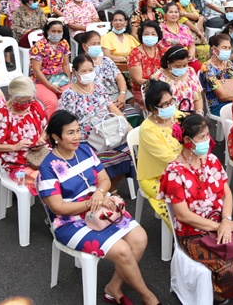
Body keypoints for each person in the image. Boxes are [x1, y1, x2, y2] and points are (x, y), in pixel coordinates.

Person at [38, 110, 161, 305]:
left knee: (139, 238)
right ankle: (148, 297)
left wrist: (99, 193)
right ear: (55, 137)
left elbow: (103, 179)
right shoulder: (48, 168)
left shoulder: (85, 150)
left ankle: (113, 287)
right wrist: (90, 203)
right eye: (70, 133)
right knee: (122, 250)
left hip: (100, 207)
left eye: (78, 130)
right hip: (71, 221)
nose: (77, 136)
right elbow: (58, 207)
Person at [160, 114, 233, 305]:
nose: (208, 140)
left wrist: (226, 220)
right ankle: (223, 295)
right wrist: (217, 226)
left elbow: (227, 194)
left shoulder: (210, 160)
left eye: (208, 135)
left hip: (221, 224)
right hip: (193, 235)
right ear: (188, 141)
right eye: (203, 137)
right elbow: (183, 215)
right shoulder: (174, 173)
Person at [59, 55, 133, 187]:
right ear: (75, 72)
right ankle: (103, 188)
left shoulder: (98, 86)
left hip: (108, 132)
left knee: (130, 152)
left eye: (90, 70)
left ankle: (111, 186)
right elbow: (67, 121)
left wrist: (127, 126)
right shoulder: (70, 94)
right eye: (84, 71)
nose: (88, 74)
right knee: (99, 159)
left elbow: (111, 107)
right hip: (87, 139)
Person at [0, 76, 47, 194]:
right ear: (11, 96)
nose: (27, 104)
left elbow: (46, 127)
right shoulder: (1, 115)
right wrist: (14, 147)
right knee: (47, 182)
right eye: (22, 101)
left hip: (39, 156)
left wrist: (41, 139)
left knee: (65, 173)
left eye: (29, 100)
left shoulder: (34, 106)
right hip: (16, 164)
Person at [137, 80, 185, 225]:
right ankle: (184, 239)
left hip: (183, 168)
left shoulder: (176, 116)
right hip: (157, 177)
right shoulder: (148, 129)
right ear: (152, 108)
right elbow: (168, 157)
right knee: (183, 202)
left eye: (171, 101)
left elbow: (194, 131)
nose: (170, 107)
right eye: (165, 105)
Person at [30, 19, 71, 117]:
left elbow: (65, 65)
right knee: (51, 103)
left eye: (59, 32)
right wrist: (50, 86)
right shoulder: (39, 46)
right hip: (41, 81)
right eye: (53, 31)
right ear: (47, 31)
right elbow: (36, 70)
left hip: (60, 78)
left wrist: (68, 82)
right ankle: (50, 128)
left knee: (71, 95)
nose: (56, 34)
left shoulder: (64, 44)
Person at [152, 45, 204, 114]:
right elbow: (160, 105)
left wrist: (199, 112)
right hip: (170, 116)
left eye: (185, 65)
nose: (182, 68)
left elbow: (197, 97)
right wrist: (181, 116)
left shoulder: (190, 71)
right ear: (168, 64)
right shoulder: (159, 78)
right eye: (178, 66)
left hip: (191, 116)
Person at [128, 20, 165, 111]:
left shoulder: (162, 50)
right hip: (145, 90)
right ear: (141, 35)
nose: (150, 36)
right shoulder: (135, 53)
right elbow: (138, 80)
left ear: (158, 36)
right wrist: (157, 86)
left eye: (153, 34)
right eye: (146, 34)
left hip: (165, 86)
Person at [202, 34, 233, 116]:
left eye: (229, 48)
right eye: (224, 47)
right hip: (219, 105)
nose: (227, 51)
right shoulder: (207, 68)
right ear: (214, 49)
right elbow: (223, 96)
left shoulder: (228, 63)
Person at [159, 2, 200, 71]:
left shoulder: (185, 28)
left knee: (198, 68)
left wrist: (190, 56)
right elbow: (159, 47)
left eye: (176, 12)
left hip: (185, 58)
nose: (174, 14)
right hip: (170, 60)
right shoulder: (160, 28)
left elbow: (191, 45)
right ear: (165, 14)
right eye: (171, 12)